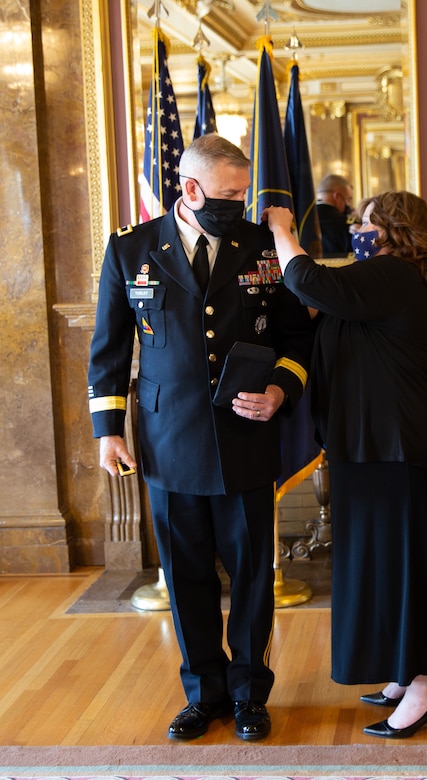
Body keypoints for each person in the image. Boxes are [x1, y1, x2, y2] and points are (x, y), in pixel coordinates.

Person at [88, 133, 314, 742]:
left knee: (251, 578)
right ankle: (203, 694)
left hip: (245, 437)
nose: (239, 205)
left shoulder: (263, 248)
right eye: (229, 195)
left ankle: (247, 695)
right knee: (184, 578)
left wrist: (280, 392)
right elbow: (108, 350)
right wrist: (108, 430)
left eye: (243, 194)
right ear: (189, 189)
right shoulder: (131, 250)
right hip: (169, 441)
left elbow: (299, 339)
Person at [264, 191, 427, 739]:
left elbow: (310, 281)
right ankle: (406, 674)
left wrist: (283, 231)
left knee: (407, 565)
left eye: (365, 222)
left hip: (398, 444)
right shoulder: (379, 280)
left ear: (393, 230)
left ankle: (425, 687)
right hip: (374, 445)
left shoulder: (394, 275)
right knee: (385, 562)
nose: (357, 230)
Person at [316, 173, 355, 257]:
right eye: (348, 199)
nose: (349, 205)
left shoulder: (301, 220)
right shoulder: (349, 224)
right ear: (337, 197)